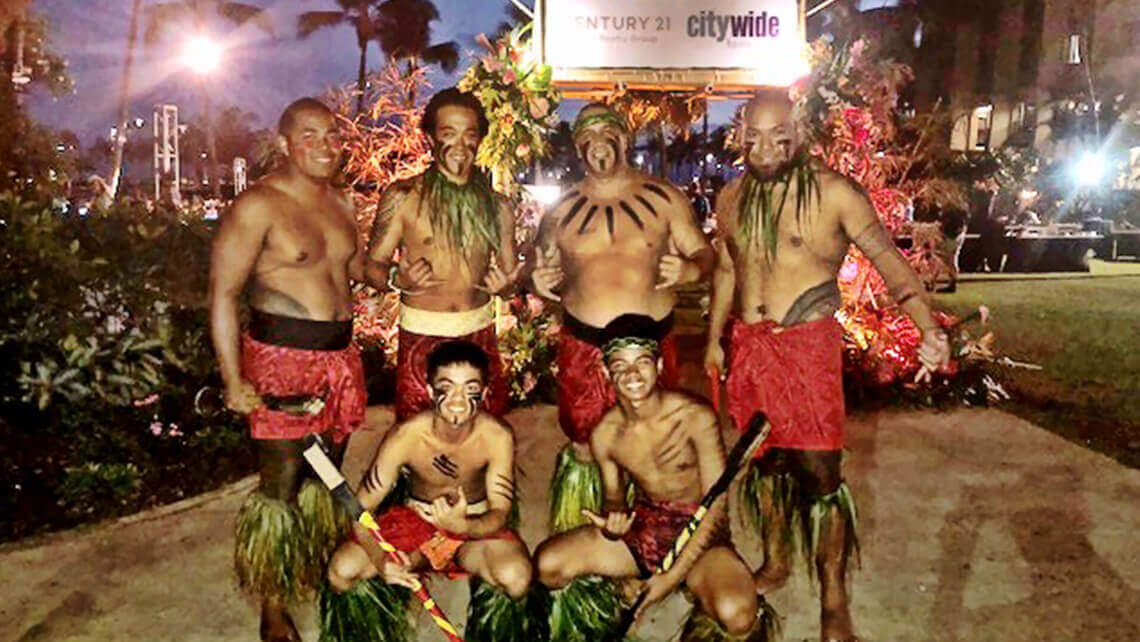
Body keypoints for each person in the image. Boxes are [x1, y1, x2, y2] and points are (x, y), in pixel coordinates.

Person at [704, 89, 951, 642]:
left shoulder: (834, 193)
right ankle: (774, 559)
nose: (765, 147)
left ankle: (833, 594)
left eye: (778, 134)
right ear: (742, 136)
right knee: (763, 464)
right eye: (754, 136)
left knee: (820, 476)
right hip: (751, 347)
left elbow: (887, 257)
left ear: (799, 133)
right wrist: (715, 340)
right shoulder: (732, 197)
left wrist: (928, 328)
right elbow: (725, 269)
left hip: (807, 347)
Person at [209, 97, 377, 642]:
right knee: (279, 489)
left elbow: (351, 272)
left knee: (325, 475)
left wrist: (398, 273)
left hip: (340, 360)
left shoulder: (344, 205)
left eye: (332, 136)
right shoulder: (258, 205)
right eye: (310, 136)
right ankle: (273, 607)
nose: (325, 146)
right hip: (280, 361)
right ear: (284, 143)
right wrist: (234, 379)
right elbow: (223, 295)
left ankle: (310, 565)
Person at [530, 102, 714, 532]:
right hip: (585, 347)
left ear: (624, 139)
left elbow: (704, 253)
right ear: (577, 148)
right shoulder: (559, 212)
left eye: (605, 135)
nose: (597, 147)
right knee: (585, 444)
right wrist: (534, 279)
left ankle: (656, 531)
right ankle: (587, 542)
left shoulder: (665, 198)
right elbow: (535, 268)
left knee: (653, 439)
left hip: (652, 342)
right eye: (586, 139)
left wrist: (690, 270)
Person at [535, 315, 771, 641]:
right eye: (620, 365)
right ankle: (624, 589)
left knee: (738, 614)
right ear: (606, 372)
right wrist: (614, 520)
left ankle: (694, 584)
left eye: (642, 362)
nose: (632, 375)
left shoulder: (694, 417)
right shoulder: (606, 433)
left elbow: (715, 507)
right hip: (646, 530)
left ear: (659, 365)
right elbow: (614, 496)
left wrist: (671, 578)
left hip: (702, 535)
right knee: (549, 565)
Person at [324, 341, 536, 641]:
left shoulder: (497, 436)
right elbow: (360, 511)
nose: (458, 402)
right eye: (447, 388)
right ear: (429, 389)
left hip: (473, 529)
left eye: (470, 389)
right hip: (416, 524)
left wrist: (462, 526)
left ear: (485, 392)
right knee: (342, 571)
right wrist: (379, 558)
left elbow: (500, 512)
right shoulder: (406, 437)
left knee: (516, 578)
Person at [366, 87, 517, 422]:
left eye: (470, 135)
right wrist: (396, 279)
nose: (461, 146)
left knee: (482, 431)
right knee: (420, 435)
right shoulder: (403, 196)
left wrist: (505, 287)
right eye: (449, 134)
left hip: (479, 333)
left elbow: (511, 279)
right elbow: (370, 267)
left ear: (480, 140)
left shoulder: (498, 206)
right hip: (422, 335)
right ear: (431, 137)